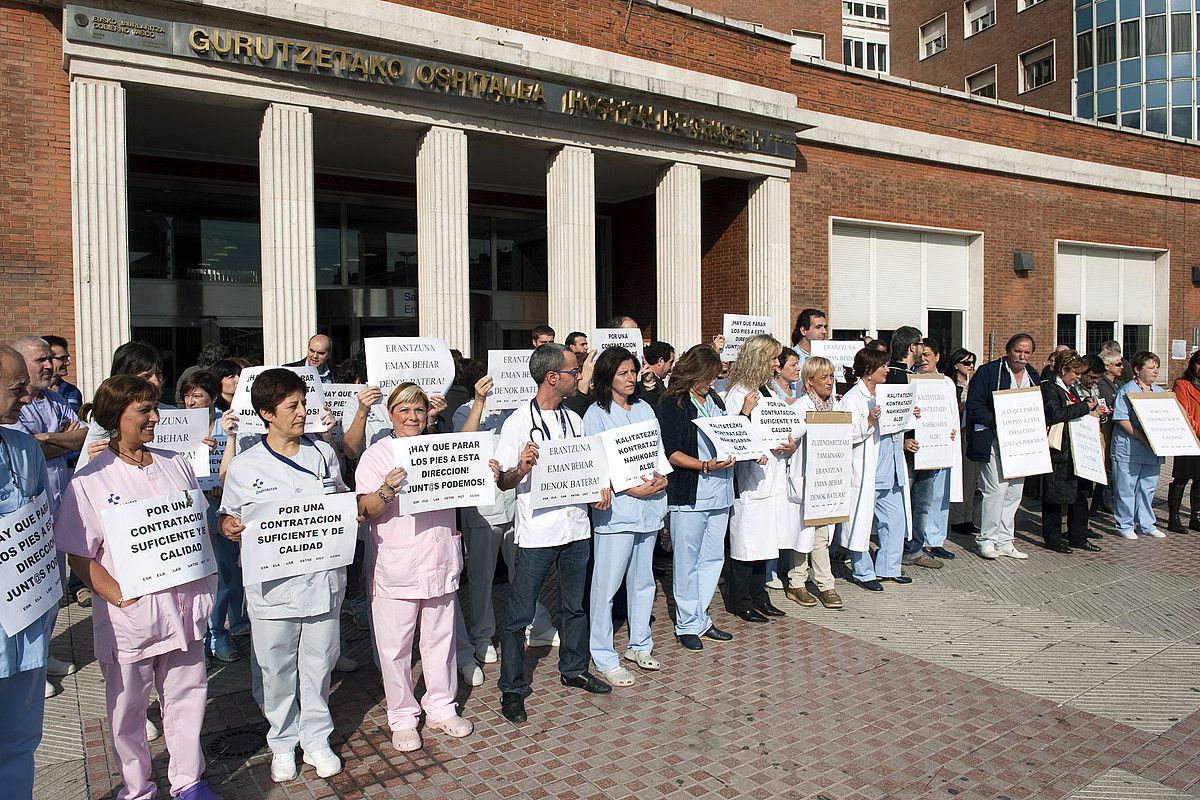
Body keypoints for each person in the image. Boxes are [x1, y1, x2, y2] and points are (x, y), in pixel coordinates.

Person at [56, 375, 222, 800]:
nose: (154, 417)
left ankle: (188, 781)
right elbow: (79, 553)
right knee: (128, 710)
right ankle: (136, 788)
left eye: (154, 408)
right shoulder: (90, 480)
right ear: (116, 419)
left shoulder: (175, 462)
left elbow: (194, 527)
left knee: (187, 697)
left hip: (182, 608)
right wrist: (120, 596)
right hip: (130, 616)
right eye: (143, 411)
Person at [218, 369, 348, 782]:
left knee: (320, 662)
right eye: (292, 406)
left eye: (303, 403)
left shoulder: (322, 454)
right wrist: (228, 526)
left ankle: (316, 738)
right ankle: (282, 741)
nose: (302, 412)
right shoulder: (245, 465)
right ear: (266, 413)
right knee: (275, 667)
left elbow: (340, 501)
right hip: (272, 588)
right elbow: (227, 515)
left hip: (321, 580)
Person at [355, 378, 489, 752]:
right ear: (390, 414)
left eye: (418, 409)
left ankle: (442, 707)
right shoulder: (377, 455)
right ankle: (401, 716)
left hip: (439, 557)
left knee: (440, 640)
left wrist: (482, 471)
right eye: (404, 410)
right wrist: (385, 490)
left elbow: (471, 471)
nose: (412, 417)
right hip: (396, 565)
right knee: (395, 647)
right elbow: (364, 510)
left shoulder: (441, 449)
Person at [494, 343, 612, 724]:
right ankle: (512, 688)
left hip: (576, 528)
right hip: (537, 533)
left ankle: (574, 668)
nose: (579, 377)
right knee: (518, 615)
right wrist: (522, 468)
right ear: (552, 377)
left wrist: (599, 488)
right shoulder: (516, 424)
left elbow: (584, 469)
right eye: (574, 371)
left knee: (573, 605)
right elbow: (502, 481)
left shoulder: (574, 421)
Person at [583, 347, 668, 687]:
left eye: (633, 371)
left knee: (643, 581)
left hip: (649, 508)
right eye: (623, 373)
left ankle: (639, 643)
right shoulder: (595, 414)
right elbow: (596, 464)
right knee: (606, 586)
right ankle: (603, 653)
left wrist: (663, 477)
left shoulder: (645, 407)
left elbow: (656, 451)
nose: (631, 379)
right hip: (617, 513)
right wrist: (628, 489)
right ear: (607, 377)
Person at [4, 336, 86, 691]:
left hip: (52, 517)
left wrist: (49, 439)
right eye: (41, 360)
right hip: (16, 544)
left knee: (49, 589)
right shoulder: (16, 428)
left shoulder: (55, 400)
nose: (50, 366)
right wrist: (57, 440)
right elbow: (44, 444)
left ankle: (42, 653)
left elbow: (83, 439)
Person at [0, 345, 54, 799]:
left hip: (27, 623)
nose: (28, 400)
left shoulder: (22, 448)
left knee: (21, 740)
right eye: (18, 389)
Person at [656, 345, 736, 650]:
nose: (712, 383)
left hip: (720, 492)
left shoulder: (714, 399)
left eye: (714, 377)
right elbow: (671, 452)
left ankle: (700, 616)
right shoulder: (673, 404)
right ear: (692, 372)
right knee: (687, 559)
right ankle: (686, 622)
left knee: (713, 556)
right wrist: (704, 465)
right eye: (707, 377)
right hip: (691, 492)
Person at [179, 370, 247, 663]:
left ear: (212, 399)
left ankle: (218, 632)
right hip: (190, 507)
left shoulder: (228, 423)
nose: (190, 402)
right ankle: (199, 637)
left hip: (222, 507)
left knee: (227, 575)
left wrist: (226, 486)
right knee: (198, 576)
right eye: (186, 396)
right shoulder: (176, 426)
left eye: (197, 396)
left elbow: (241, 462)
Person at [723, 335, 791, 622]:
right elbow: (730, 433)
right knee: (747, 540)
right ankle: (741, 600)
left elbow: (781, 423)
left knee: (766, 539)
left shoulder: (769, 390)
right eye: (773, 358)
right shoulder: (738, 393)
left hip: (772, 475)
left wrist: (791, 443)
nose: (777, 364)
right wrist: (746, 413)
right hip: (750, 479)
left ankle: (760, 596)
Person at [965, 334, 1039, 560]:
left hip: (1020, 443)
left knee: (1014, 492)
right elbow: (974, 405)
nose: (1022, 356)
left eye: (1027, 352)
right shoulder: (989, 372)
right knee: (995, 491)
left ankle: (1006, 540)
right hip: (994, 440)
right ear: (1008, 350)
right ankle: (987, 539)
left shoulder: (1033, 377)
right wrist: (1000, 421)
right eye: (1018, 351)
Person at [784, 355, 843, 609]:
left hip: (827, 482)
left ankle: (824, 584)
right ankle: (798, 582)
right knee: (805, 533)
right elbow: (789, 438)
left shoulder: (836, 407)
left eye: (832, 376)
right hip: (806, 480)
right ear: (809, 382)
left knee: (822, 534)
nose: (830, 382)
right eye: (824, 377)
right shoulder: (800, 407)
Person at [1040, 352, 1102, 553]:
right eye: (1075, 373)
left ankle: (1078, 535)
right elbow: (1055, 414)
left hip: (1077, 450)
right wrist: (1085, 407)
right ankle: (1053, 537)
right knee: (1054, 497)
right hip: (1060, 451)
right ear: (1063, 370)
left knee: (1080, 495)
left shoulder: (1070, 389)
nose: (1077, 377)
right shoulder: (1050, 387)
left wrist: (1095, 412)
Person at [904, 337, 958, 565]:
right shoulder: (910, 379)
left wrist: (952, 430)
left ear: (937, 357)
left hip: (940, 444)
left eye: (928, 354)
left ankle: (934, 540)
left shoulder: (946, 383)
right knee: (916, 498)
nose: (924, 358)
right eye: (921, 354)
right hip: (916, 448)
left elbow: (951, 411)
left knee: (938, 495)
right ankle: (914, 541)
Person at [839, 347, 887, 591]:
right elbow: (844, 434)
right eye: (882, 367)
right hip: (861, 465)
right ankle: (863, 571)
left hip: (883, 462)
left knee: (883, 517)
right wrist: (868, 422)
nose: (887, 370)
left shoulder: (884, 393)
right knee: (859, 519)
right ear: (869, 371)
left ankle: (888, 565)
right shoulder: (851, 399)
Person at [876, 327, 921, 580]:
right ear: (912, 346)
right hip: (885, 455)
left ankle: (889, 567)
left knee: (896, 515)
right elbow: (887, 416)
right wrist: (903, 440)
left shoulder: (914, 376)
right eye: (920, 344)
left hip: (900, 456)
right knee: (872, 517)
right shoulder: (893, 375)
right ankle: (863, 568)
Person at [1110, 351, 1167, 540]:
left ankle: (1146, 523)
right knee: (1126, 487)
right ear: (1137, 369)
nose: (1155, 371)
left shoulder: (1159, 392)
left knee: (1147, 487)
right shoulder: (1127, 391)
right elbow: (1121, 419)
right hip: (1130, 448)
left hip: (1152, 450)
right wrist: (1143, 438)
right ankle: (1125, 524)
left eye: (1156, 367)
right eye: (1151, 367)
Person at [946, 348, 978, 535]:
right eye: (966, 362)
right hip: (957, 433)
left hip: (971, 432)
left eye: (972, 362)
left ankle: (968, 516)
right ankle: (958, 518)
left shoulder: (973, 383)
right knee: (962, 477)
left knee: (972, 478)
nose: (970, 366)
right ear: (956, 364)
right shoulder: (950, 384)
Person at [1170, 350, 1200, 533]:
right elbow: (1184, 413)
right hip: (1188, 438)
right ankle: (1174, 518)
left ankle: (1196, 516)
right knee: (1181, 478)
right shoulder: (1182, 384)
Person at [43, 334, 83, 414]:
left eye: (67, 358)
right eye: (62, 358)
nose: (67, 363)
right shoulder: (31, 392)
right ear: (47, 359)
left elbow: (77, 422)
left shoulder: (72, 391)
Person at [639, 341, 674, 408]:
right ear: (660, 361)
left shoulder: (658, 382)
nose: (671, 368)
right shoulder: (647, 383)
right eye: (670, 363)